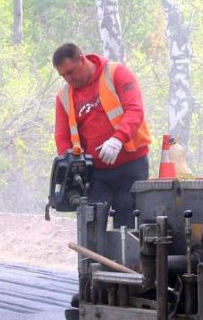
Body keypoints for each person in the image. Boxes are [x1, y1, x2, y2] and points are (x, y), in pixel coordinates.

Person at [53, 43, 151, 229]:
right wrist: (71, 166)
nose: (68, 79)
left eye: (71, 72)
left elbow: (135, 110)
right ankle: (92, 258)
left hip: (131, 166)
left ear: (82, 59)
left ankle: (126, 259)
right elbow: (62, 137)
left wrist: (117, 140)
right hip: (94, 174)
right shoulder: (64, 97)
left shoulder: (116, 74)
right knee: (92, 222)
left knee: (128, 223)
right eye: (63, 75)